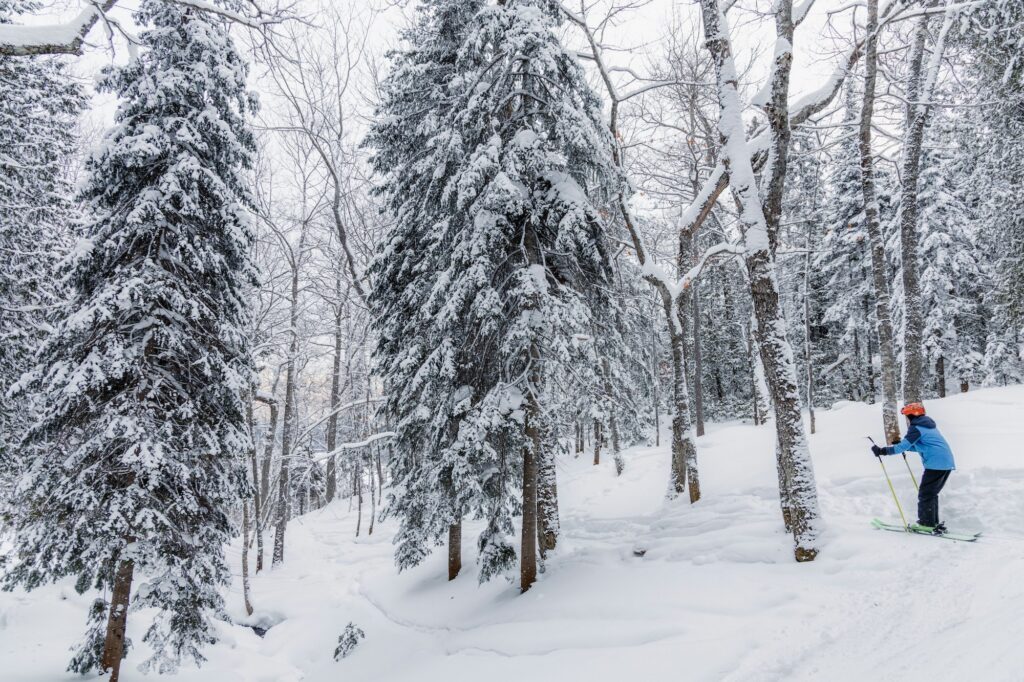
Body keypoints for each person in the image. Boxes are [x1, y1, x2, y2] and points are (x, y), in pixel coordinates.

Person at [872, 402, 956, 533]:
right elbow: (920, 446)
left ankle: (926, 524)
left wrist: (882, 451)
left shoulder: (916, 427)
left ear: (912, 415)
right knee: (931, 493)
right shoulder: (929, 426)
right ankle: (932, 522)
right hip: (946, 462)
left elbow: (902, 448)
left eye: (907, 415)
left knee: (925, 494)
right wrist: (901, 445)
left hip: (935, 464)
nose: (907, 418)